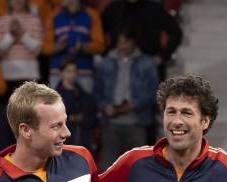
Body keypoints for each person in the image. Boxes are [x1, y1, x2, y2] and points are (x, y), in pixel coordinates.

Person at [94, 28, 159, 169]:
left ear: (133, 42)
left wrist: (136, 104)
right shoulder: (105, 63)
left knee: (137, 168)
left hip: (136, 120)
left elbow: (155, 92)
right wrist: (105, 106)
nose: (124, 46)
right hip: (111, 122)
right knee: (108, 168)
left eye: (127, 42)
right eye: (121, 42)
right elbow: (97, 92)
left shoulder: (147, 63)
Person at [42, 0, 104, 92]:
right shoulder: (53, 15)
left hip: (83, 72)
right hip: (58, 73)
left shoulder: (91, 15)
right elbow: (45, 48)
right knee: (57, 105)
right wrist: (57, 46)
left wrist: (83, 47)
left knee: (84, 105)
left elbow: (100, 46)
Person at [0, 0, 43, 94]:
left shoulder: (35, 20)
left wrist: (21, 34)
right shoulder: (2, 20)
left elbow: (37, 49)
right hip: (7, 74)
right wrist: (11, 35)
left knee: (28, 108)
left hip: (29, 73)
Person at [55, 57, 98, 151]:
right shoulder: (54, 98)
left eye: (74, 71)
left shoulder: (85, 96)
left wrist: (81, 118)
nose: (72, 74)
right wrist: (70, 118)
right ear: (61, 73)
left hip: (83, 144)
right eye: (68, 71)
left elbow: (93, 119)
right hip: (61, 146)